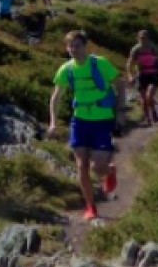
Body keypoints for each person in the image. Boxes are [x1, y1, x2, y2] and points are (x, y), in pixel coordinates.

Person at [48, 30, 127, 221]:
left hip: (102, 120)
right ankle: (91, 207)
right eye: (70, 46)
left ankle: (109, 171)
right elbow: (56, 96)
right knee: (81, 166)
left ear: (85, 46)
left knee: (97, 168)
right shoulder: (66, 69)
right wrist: (53, 122)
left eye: (77, 45)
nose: (73, 50)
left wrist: (120, 112)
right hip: (80, 121)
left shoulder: (100, 63)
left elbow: (120, 85)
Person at [127, 30, 158, 125]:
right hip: (141, 75)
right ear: (138, 38)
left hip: (153, 74)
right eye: (140, 38)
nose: (142, 40)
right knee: (143, 99)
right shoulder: (135, 49)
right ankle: (148, 118)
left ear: (148, 38)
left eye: (144, 38)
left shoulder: (153, 48)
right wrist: (130, 75)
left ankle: (153, 110)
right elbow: (129, 64)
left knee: (149, 95)